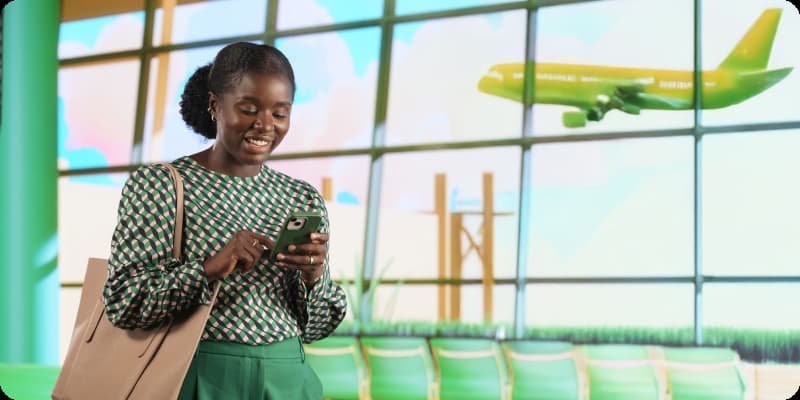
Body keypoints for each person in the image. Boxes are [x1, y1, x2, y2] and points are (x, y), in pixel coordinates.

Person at [103, 41, 347, 399]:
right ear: (216, 105)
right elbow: (123, 302)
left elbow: (317, 328)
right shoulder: (162, 185)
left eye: (280, 114)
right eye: (249, 109)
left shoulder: (302, 198)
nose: (265, 125)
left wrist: (313, 278)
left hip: (287, 379)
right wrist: (209, 269)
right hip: (197, 376)